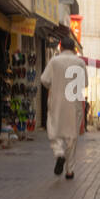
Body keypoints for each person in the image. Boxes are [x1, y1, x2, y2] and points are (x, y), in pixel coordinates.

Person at [40, 35, 86, 179]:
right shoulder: (80, 63)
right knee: (72, 137)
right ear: (73, 49)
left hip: (57, 102)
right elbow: (84, 83)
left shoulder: (54, 61)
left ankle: (59, 153)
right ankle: (69, 171)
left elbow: (44, 80)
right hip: (74, 104)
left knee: (54, 130)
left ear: (60, 47)